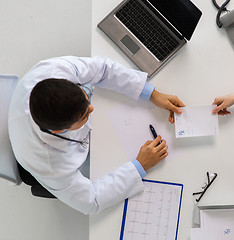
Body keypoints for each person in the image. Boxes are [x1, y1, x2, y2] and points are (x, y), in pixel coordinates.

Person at [8, 56, 185, 215]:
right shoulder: (50, 164)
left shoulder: (52, 71)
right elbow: (91, 201)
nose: (92, 108)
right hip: (39, 155)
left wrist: (152, 94)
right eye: (84, 116)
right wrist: (140, 166)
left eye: (85, 99)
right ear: (60, 131)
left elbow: (102, 69)